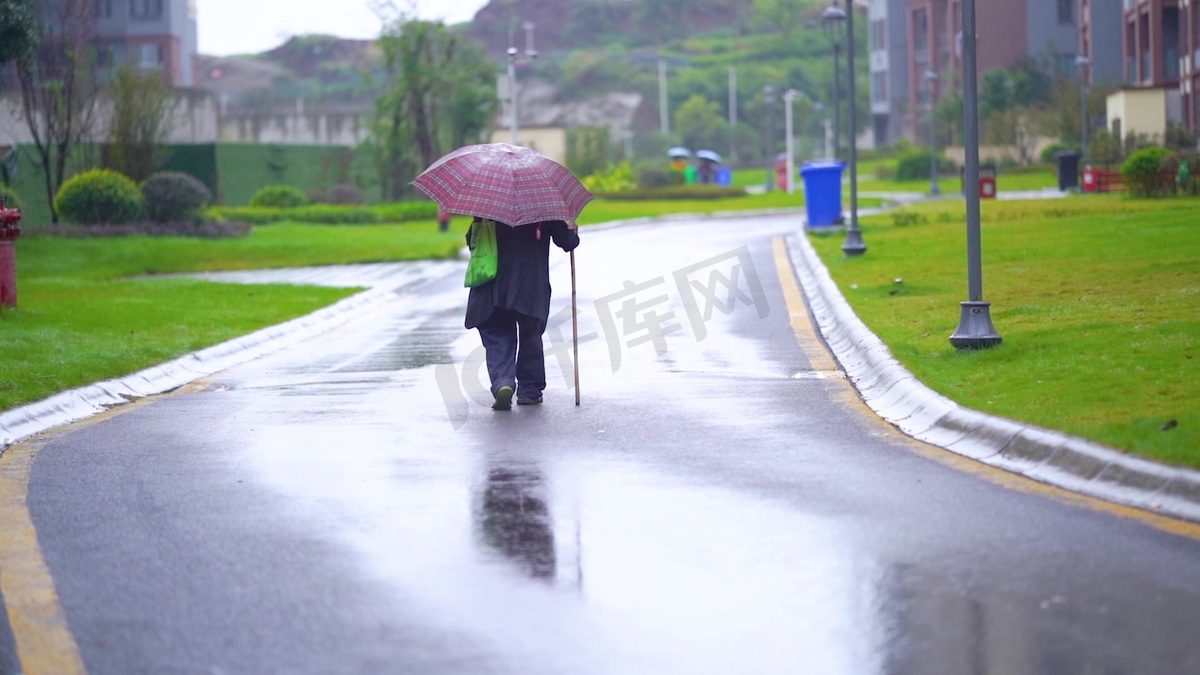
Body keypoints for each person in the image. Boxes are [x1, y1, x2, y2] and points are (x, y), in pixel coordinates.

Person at [464, 217, 580, 410]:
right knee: (531, 336)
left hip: (492, 286)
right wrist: (572, 230)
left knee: (497, 335)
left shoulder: (489, 207)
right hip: (530, 285)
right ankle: (530, 390)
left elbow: (472, 240)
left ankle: (503, 381)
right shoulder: (542, 208)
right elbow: (567, 242)